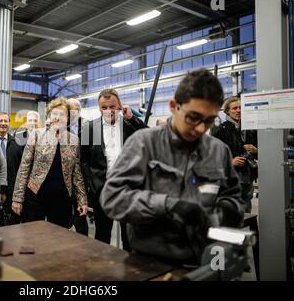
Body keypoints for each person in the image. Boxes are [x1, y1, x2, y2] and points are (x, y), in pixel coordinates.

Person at [100, 68, 244, 265]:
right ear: (174, 106)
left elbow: (233, 195)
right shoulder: (144, 143)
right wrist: (167, 204)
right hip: (152, 260)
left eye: (209, 121)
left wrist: (228, 209)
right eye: (193, 117)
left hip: (207, 257)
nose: (201, 128)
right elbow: (113, 198)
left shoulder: (218, 150)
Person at [80, 88, 145, 251]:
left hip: (128, 188)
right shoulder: (90, 128)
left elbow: (149, 137)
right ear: (99, 107)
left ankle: (130, 270)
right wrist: (92, 183)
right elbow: (84, 160)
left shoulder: (129, 124)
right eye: (104, 107)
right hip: (102, 189)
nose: (109, 111)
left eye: (112, 107)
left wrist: (133, 119)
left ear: (120, 106)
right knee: (102, 235)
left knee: (129, 235)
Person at [12, 98, 88, 229]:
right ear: (49, 116)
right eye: (55, 114)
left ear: (68, 118)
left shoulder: (74, 140)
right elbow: (24, 168)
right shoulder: (36, 135)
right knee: (32, 237)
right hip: (35, 196)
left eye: (62, 114)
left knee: (59, 239)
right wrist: (17, 198)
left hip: (62, 198)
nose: (58, 118)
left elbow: (76, 173)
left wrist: (82, 200)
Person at [211, 96, 258, 213]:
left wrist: (256, 151)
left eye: (241, 108)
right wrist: (230, 162)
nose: (238, 110)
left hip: (247, 176)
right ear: (227, 111)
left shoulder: (250, 129)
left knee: (246, 206)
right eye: (234, 108)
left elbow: (260, 151)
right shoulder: (220, 130)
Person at [0, 112, 23, 225]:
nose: (3, 123)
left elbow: (21, 169)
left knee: (12, 226)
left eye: (6, 121)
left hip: (12, 192)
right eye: (0, 121)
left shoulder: (17, 143)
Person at [66, 98, 89, 236]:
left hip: (82, 179)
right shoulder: (61, 127)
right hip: (65, 178)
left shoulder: (88, 127)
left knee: (81, 218)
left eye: (75, 110)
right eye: (69, 110)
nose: (72, 113)